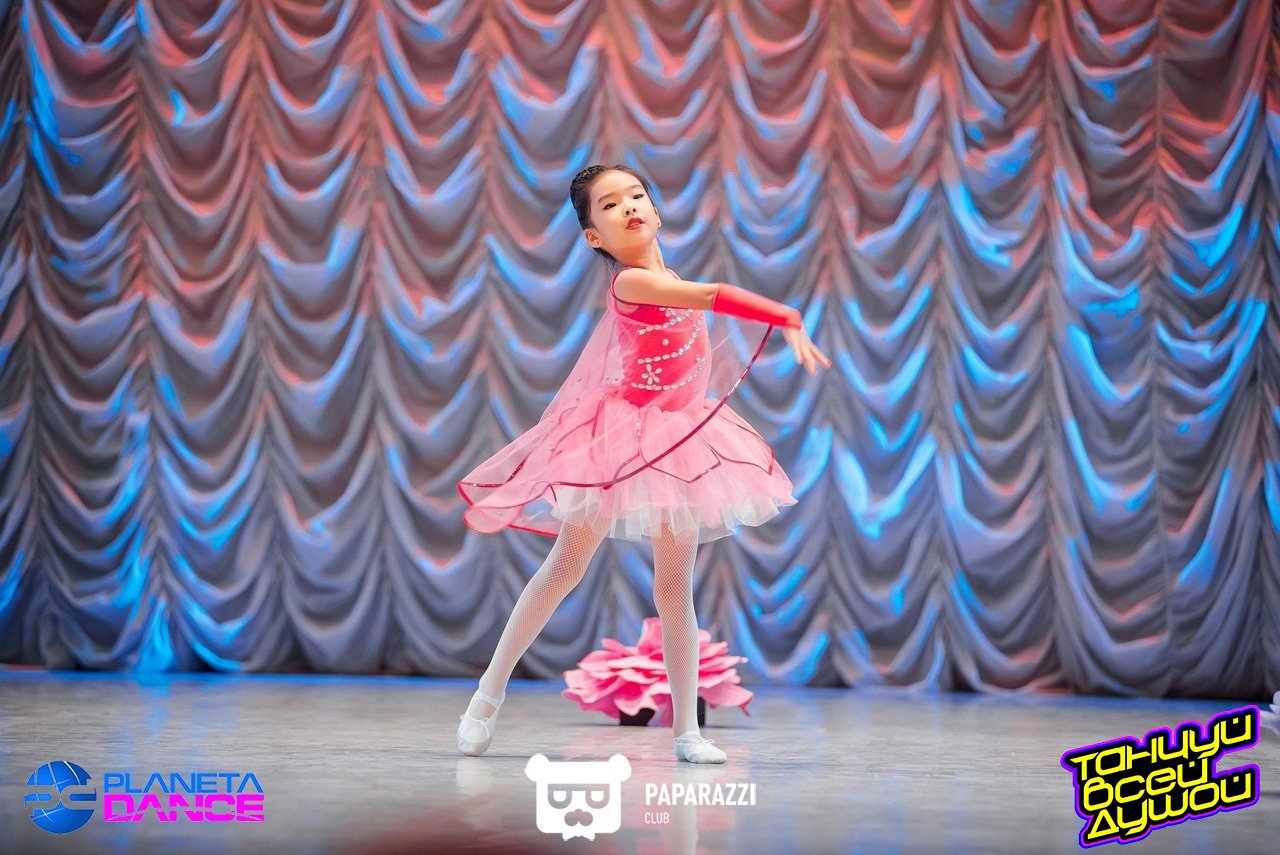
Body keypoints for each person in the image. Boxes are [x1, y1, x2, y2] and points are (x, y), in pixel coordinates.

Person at [455, 164, 831, 763]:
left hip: (680, 441)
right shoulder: (632, 282)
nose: (628, 206)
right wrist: (783, 314)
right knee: (563, 570)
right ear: (592, 236)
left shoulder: (665, 274)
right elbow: (710, 296)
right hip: (619, 440)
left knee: (675, 589)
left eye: (636, 195)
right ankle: (486, 697)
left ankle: (687, 732)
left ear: (655, 210)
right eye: (609, 204)